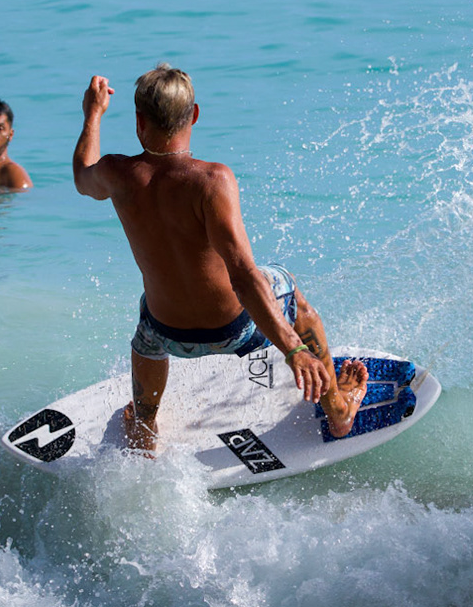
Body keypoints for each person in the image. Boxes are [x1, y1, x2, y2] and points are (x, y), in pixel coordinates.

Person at [72, 65, 368, 452]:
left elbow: (81, 176)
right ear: (193, 115)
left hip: (167, 334)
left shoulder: (116, 173)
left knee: (146, 320)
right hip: (237, 330)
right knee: (286, 285)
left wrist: (92, 114)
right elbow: (244, 276)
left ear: (139, 121)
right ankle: (338, 409)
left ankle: (144, 428)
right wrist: (293, 348)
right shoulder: (213, 181)